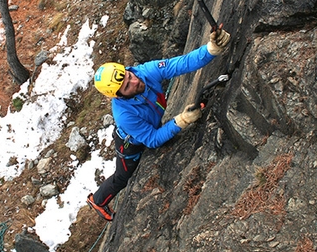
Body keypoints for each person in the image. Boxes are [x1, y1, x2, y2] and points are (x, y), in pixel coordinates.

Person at [87, 28, 230, 221]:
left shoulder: (145, 72)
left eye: (128, 75)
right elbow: (152, 140)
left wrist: (211, 49)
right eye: (127, 86)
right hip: (129, 143)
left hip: (148, 124)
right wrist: (181, 121)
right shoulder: (124, 115)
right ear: (118, 95)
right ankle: (98, 200)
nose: (134, 81)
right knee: (123, 176)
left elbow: (183, 63)